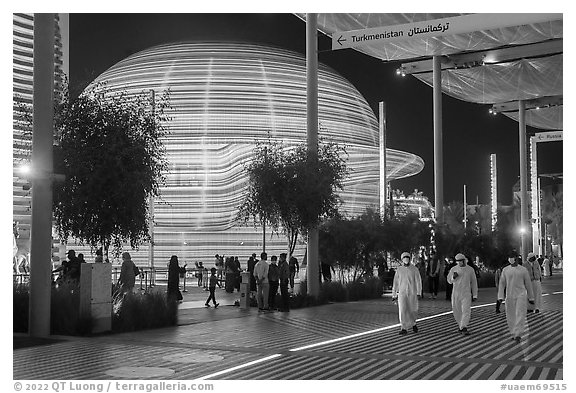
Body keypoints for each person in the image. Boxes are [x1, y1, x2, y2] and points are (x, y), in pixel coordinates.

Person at [498, 253, 535, 343]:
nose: (511, 259)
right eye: (510, 257)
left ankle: (518, 333)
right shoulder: (505, 270)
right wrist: (500, 296)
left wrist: (531, 297)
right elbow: (502, 284)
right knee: (510, 315)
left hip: (521, 295)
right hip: (509, 295)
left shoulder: (523, 270)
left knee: (520, 314)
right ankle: (513, 332)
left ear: (516, 259)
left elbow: (528, 284)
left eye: (513, 258)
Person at [447, 253, 478, 336]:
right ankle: (460, 326)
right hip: (456, 294)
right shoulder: (453, 269)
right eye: (458, 261)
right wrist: (453, 277)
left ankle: (464, 327)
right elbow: (449, 281)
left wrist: (474, 295)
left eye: (461, 261)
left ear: (465, 260)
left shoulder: (470, 270)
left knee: (466, 310)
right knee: (457, 311)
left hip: (466, 294)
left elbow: (474, 282)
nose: (460, 262)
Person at [391, 252, 422, 335]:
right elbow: (396, 282)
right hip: (402, 293)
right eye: (404, 258)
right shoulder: (399, 270)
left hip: (412, 293)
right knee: (402, 310)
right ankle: (403, 327)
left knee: (412, 309)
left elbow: (418, 281)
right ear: (402, 259)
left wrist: (419, 292)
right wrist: (394, 294)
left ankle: (413, 323)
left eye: (407, 257)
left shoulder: (414, 269)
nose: (406, 259)